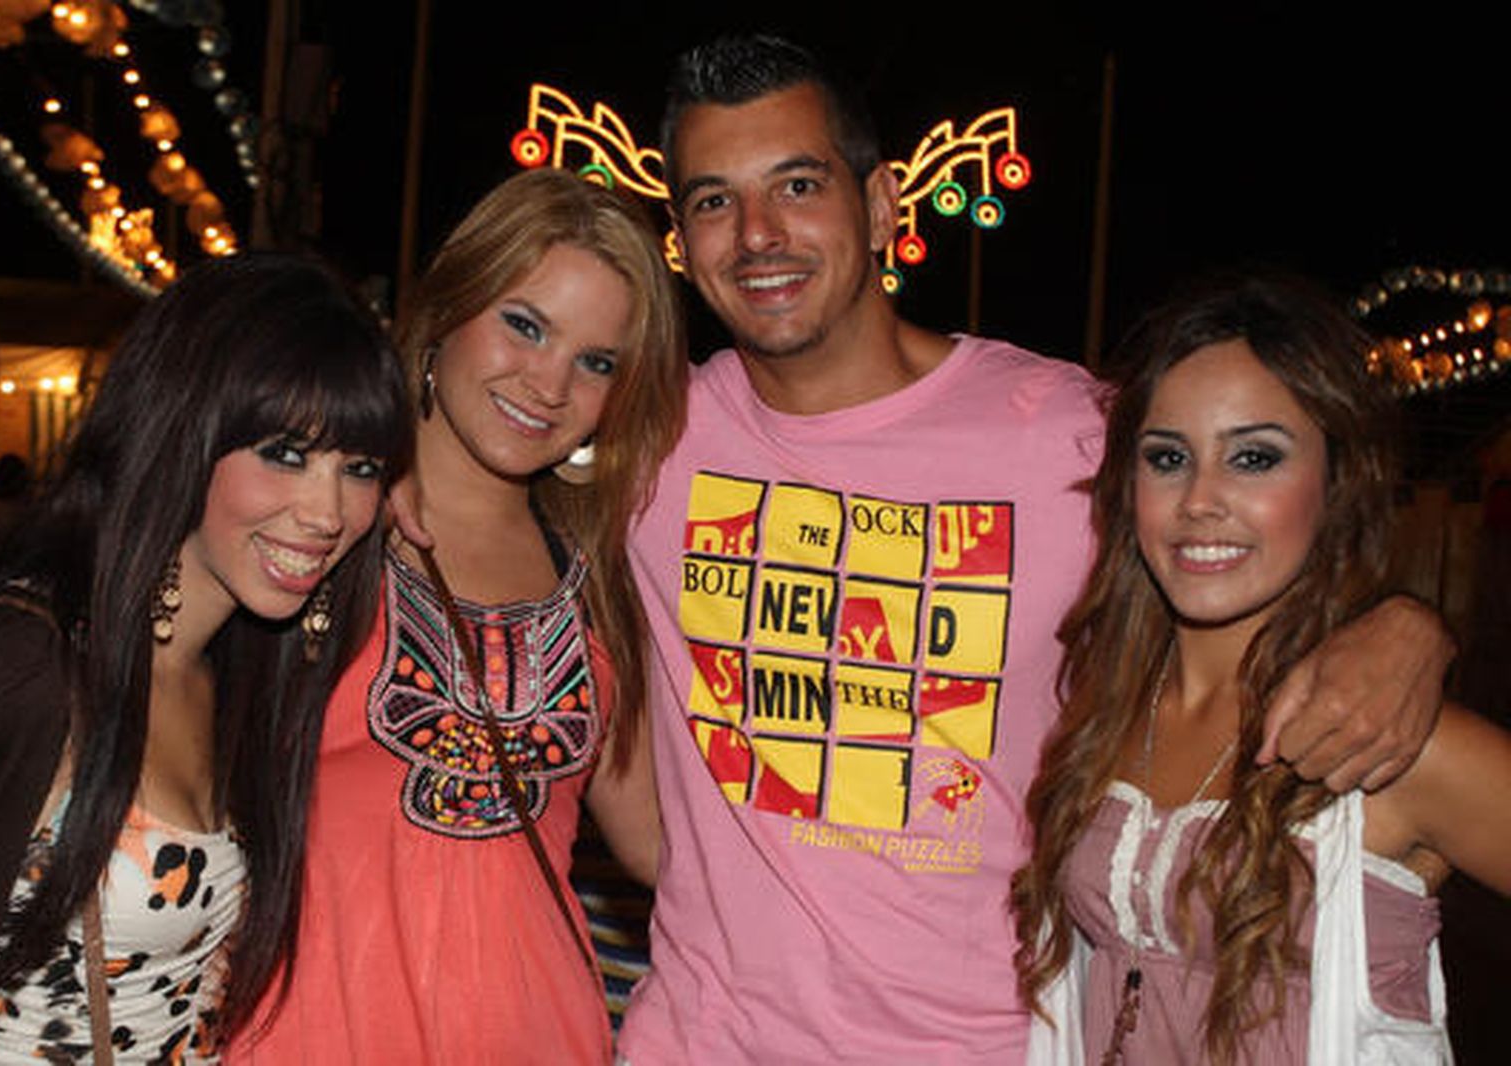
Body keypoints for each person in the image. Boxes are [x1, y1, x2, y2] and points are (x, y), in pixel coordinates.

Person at [615, 36, 1455, 1064]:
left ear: (880, 204)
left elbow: (1259, 530)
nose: (756, 234)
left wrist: (1409, 625)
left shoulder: (1064, 431)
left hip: (981, 1044)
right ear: (681, 237)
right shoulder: (643, 444)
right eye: (712, 200)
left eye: (797, 183)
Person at [233, 168, 686, 1064]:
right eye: (525, 325)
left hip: (540, 1034)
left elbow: (675, 851)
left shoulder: (599, 582)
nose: (549, 385)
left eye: (596, 362)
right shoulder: (316, 523)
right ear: (446, 309)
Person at [0, 254, 410, 1064]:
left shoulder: (245, 680)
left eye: (358, 468)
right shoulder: (21, 663)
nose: (328, 512)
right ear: (184, 430)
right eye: (285, 451)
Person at [1011, 276, 1511, 1063]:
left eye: (1254, 457)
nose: (1201, 499)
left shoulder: (1385, 740)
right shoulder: (1104, 708)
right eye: (1168, 458)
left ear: (1335, 484)